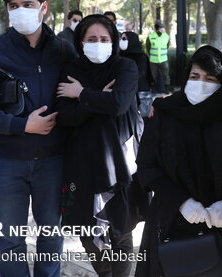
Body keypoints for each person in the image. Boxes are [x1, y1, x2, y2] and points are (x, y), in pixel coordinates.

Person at [0, 0, 76, 277]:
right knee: (11, 240)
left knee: (51, 237)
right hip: (5, 162)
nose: (20, 10)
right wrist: (21, 125)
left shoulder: (63, 51)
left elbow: (92, 86)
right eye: (14, 6)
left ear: (44, 8)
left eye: (28, 4)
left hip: (54, 160)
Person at [135, 45, 222, 276]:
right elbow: (147, 166)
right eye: (195, 76)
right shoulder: (166, 112)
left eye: (211, 78)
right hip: (170, 218)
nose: (201, 83)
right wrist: (181, 202)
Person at [55, 14, 142, 277]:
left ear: (113, 40)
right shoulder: (70, 70)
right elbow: (66, 117)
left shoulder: (125, 67)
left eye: (104, 39)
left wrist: (81, 94)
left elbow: (118, 104)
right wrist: (98, 99)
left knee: (122, 232)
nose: (98, 43)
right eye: (91, 39)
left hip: (119, 162)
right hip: (81, 166)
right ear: (80, 42)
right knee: (86, 232)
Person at [119, 31, 154, 121]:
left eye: (124, 39)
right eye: (121, 39)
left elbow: (142, 74)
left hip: (141, 93)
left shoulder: (141, 57)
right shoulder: (118, 56)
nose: (121, 41)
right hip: (123, 94)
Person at [146, 20, 170, 94]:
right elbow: (148, 48)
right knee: (153, 76)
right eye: (161, 27)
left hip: (163, 59)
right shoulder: (150, 36)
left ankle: (166, 89)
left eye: (163, 27)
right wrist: (150, 56)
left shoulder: (166, 36)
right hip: (153, 60)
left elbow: (167, 46)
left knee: (166, 75)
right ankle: (154, 89)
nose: (162, 28)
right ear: (157, 28)